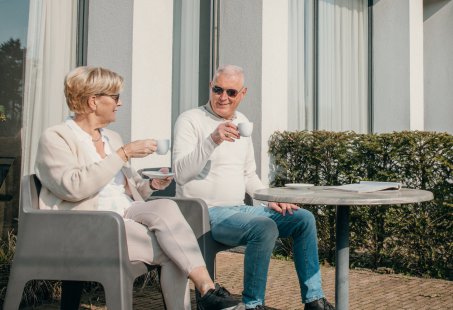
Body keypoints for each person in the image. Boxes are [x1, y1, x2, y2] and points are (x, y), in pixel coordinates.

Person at [34, 66, 244, 310]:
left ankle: (207, 289)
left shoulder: (110, 138)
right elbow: (73, 188)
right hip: (90, 227)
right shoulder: (56, 138)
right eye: (115, 97)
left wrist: (152, 184)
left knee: (165, 206)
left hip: (126, 215)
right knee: (175, 251)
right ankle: (207, 290)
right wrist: (124, 153)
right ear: (93, 101)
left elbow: (130, 189)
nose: (120, 104)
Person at [172, 65, 335, 310]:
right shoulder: (190, 120)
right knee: (264, 227)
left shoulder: (242, 122)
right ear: (210, 87)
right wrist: (212, 140)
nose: (223, 97)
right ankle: (253, 304)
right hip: (205, 213)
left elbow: (249, 174)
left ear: (242, 93)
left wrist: (268, 199)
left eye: (231, 92)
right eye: (218, 89)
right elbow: (181, 175)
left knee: (303, 219)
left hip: (240, 210)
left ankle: (313, 299)